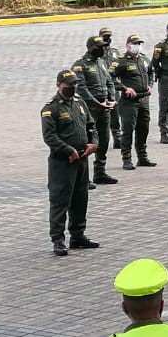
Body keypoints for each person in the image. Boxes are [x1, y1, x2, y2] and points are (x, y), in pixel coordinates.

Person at [42, 69, 99, 257]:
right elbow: (50, 137)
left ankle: (77, 235)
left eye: (75, 84)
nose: (72, 87)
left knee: (80, 198)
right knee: (60, 201)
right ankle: (58, 239)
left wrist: (94, 143)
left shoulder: (79, 103)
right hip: (63, 162)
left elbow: (91, 125)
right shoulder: (51, 108)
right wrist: (69, 150)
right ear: (59, 85)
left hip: (82, 159)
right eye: (69, 85)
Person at [72, 36, 118, 185]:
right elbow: (81, 88)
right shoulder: (80, 65)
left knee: (103, 141)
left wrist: (111, 99)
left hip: (104, 108)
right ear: (91, 48)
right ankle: (83, 178)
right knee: (85, 142)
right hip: (89, 109)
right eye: (100, 47)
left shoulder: (102, 62)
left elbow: (109, 82)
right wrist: (96, 103)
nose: (103, 49)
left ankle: (100, 173)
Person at [111, 35, 156, 171]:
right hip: (129, 102)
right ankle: (127, 159)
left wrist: (150, 85)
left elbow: (151, 73)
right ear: (128, 45)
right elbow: (110, 78)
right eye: (135, 43)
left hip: (144, 99)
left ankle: (142, 157)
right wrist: (125, 88)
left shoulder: (144, 59)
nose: (137, 46)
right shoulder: (121, 61)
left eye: (139, 44)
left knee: (143, 129)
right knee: (128, 131)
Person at [99, 28, 124, 145]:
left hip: (114, 86)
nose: (107, 39)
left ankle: (117, 136)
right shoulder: (96, 53)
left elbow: (120, 66)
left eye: (109, 37)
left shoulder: (115, 52)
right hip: (101, 86)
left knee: (115, 112)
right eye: (104, 37)